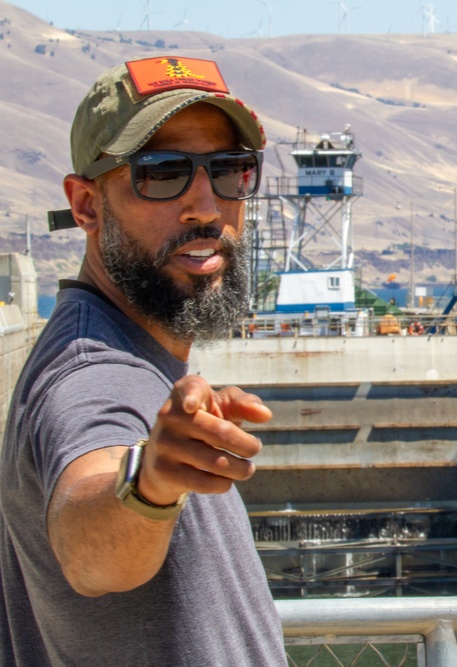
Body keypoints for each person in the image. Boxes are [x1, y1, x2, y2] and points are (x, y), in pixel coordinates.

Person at [0, 57, 287, 665]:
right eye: (163, 174)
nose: (206, 207)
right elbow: (90, 549)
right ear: (85, 205)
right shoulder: (93, 371)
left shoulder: (138, 354)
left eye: (231, 171)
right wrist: (149, 484)